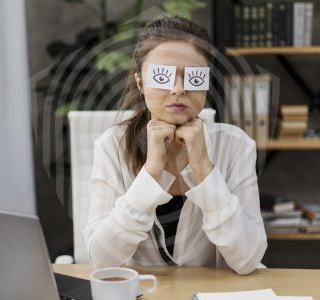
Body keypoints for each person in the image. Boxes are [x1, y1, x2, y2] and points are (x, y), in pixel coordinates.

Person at [84, 15, 267, 275]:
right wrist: (150, 173)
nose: (178, 89)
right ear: (140, 81)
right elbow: (102, 261)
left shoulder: (236, 146)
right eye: (163, 76)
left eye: (192, 77)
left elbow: (247, 260)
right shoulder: (112, 147)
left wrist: (205, 170)